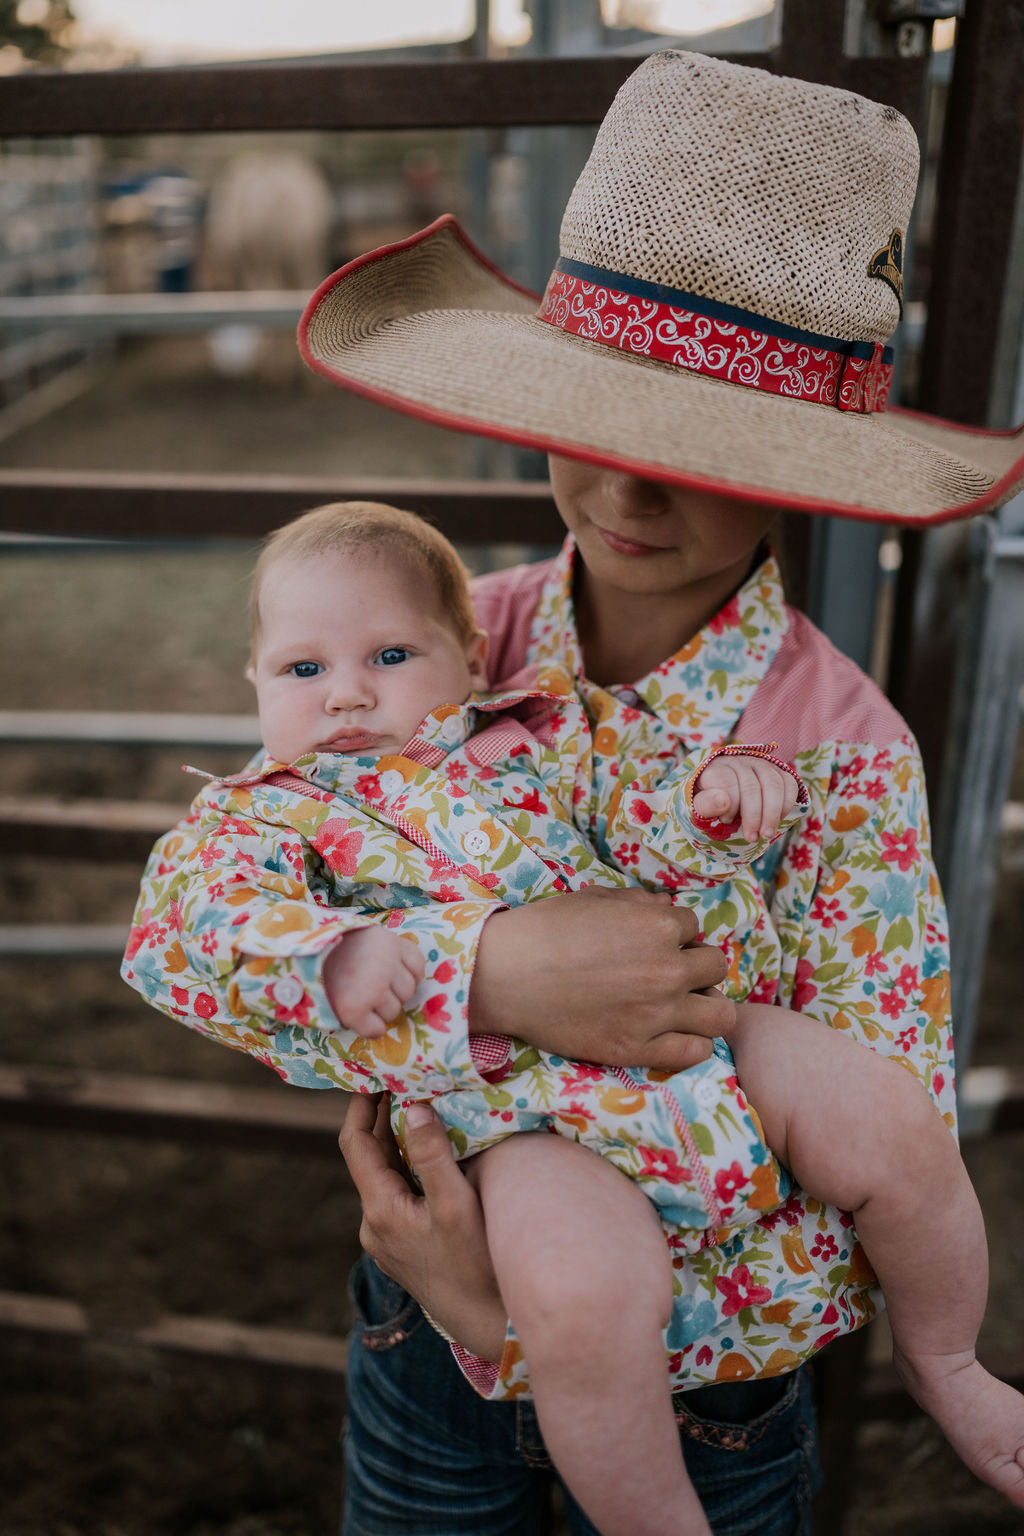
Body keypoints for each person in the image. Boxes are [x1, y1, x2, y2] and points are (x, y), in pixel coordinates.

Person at [133, 46, 1024, 1536]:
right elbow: (217, 919)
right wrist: (487, 975)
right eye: (590, 421)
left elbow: (881, 1150)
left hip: (711, 1391)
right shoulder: (422, 652)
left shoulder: (841, 749)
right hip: (432, 1343)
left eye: (695, 449)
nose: (624, 494)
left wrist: (541, 1319)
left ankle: (951, 1368)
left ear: (801, 468)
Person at [123, 497, 1024, 1534]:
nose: (348, 695)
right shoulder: (262, 811)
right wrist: (340, 955)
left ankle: (947, 1359)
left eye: (386, 656)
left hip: (700, 1048)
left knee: (890, 1120)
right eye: (302, 671)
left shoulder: (536, 723)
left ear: (466, 659)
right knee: (586, 1299)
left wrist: (709, 801)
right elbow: (190, 927)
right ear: (254, 681)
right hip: (519, 1121)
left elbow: (633, 802)